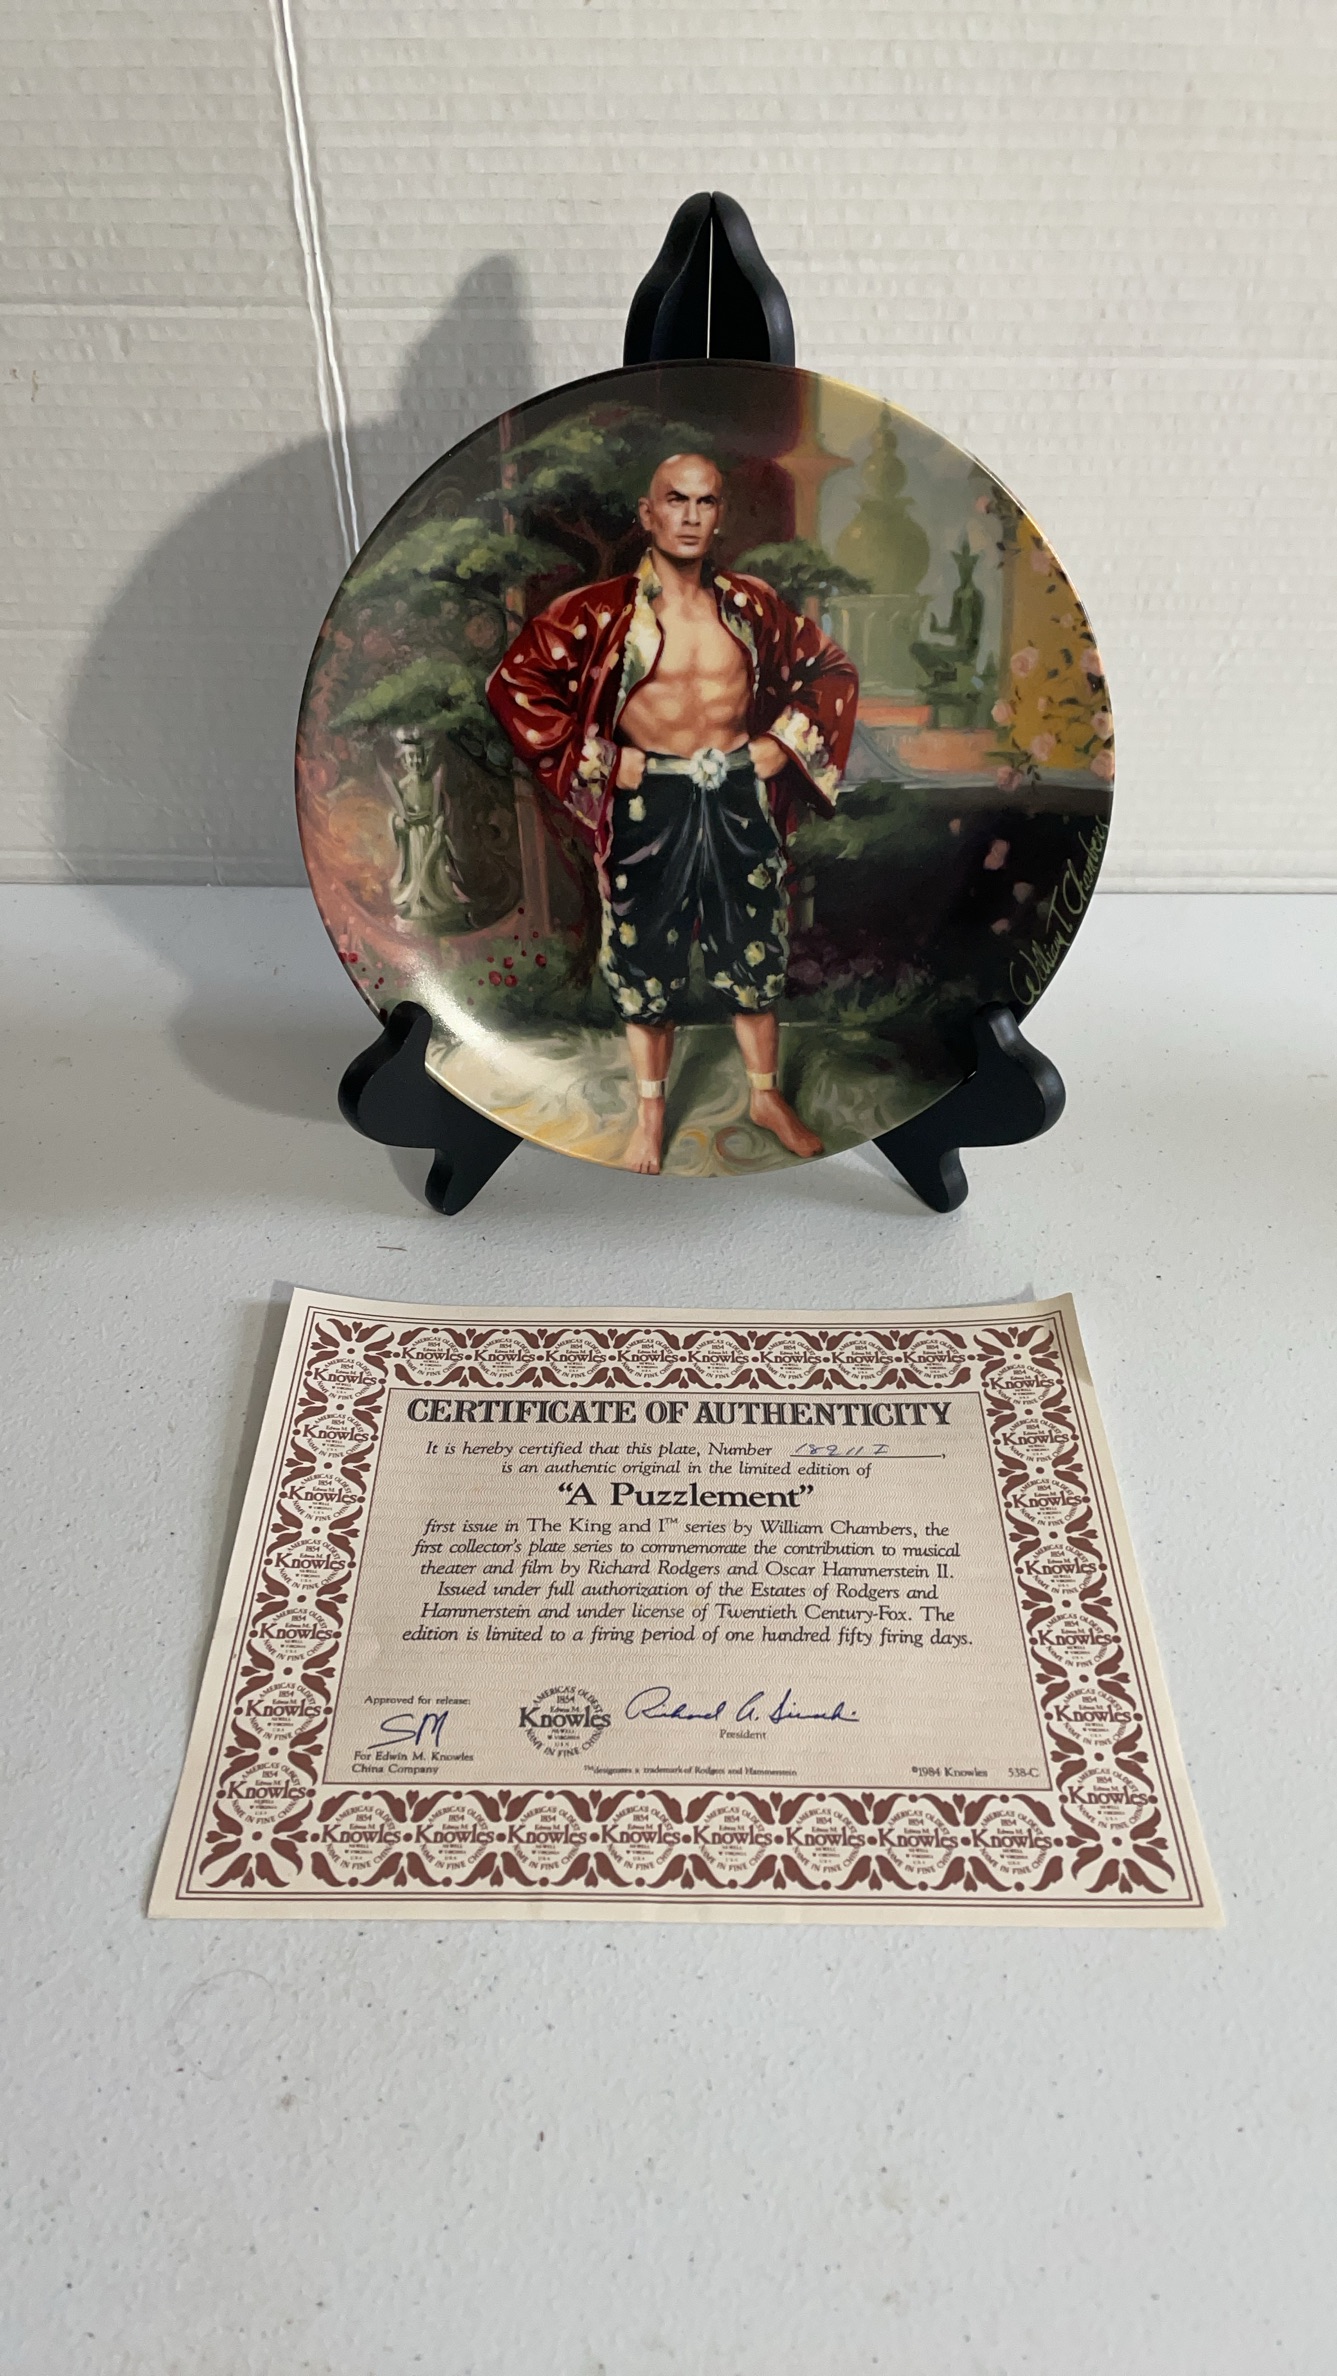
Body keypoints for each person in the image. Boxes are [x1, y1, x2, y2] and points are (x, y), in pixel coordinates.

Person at [486, 451, 858, 1171]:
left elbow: (830, 670)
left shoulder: (751, 605)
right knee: (642, 955)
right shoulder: (599, 612)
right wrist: (603, 759)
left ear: (720, 515)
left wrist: (781, 744)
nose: (689, 516)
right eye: (675, 500)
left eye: (704, 501)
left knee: (754, 947)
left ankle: (764, 1095)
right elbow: (515, 683)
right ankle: (650, 1114)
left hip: (737, 794)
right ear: (648, 513)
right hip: (647, 799)